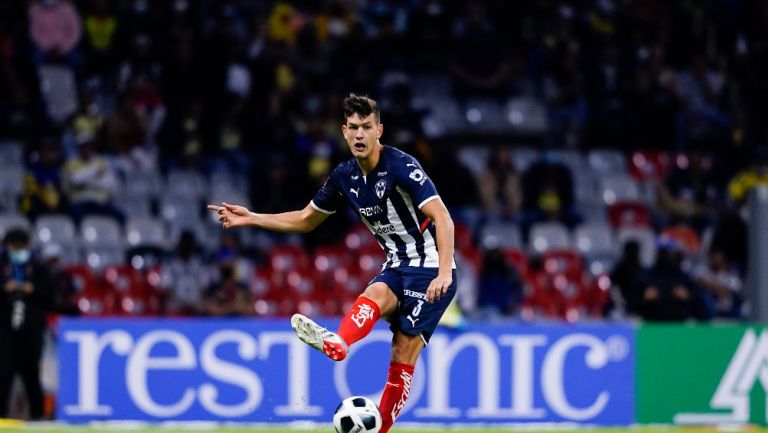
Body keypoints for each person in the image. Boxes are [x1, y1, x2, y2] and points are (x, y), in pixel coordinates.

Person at [208, 94, 456, 433]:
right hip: (397, 263)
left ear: (379, 130)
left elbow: (442, 217)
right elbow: (305, 220)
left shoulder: (401, 166)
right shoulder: (344, 177)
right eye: (353, 127)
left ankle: (380, 427)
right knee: (376, 294)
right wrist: (251, 218)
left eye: (366, 127)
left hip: (429, 267)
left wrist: (444, 271)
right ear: (343, 132)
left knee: (402, 349)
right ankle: (340, 342)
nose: (359, 135)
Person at [0, 228, 53, 420]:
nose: (18, 251)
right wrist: (5, 289)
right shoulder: (2, 267)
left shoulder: (39, 269)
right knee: (3, 375)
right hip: (5, 332)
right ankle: (1, 418)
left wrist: (34, 289)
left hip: (31, 332)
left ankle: (38, 417)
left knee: (32, 375)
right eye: (15, 247)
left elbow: (51, 298)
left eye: (21, 247)